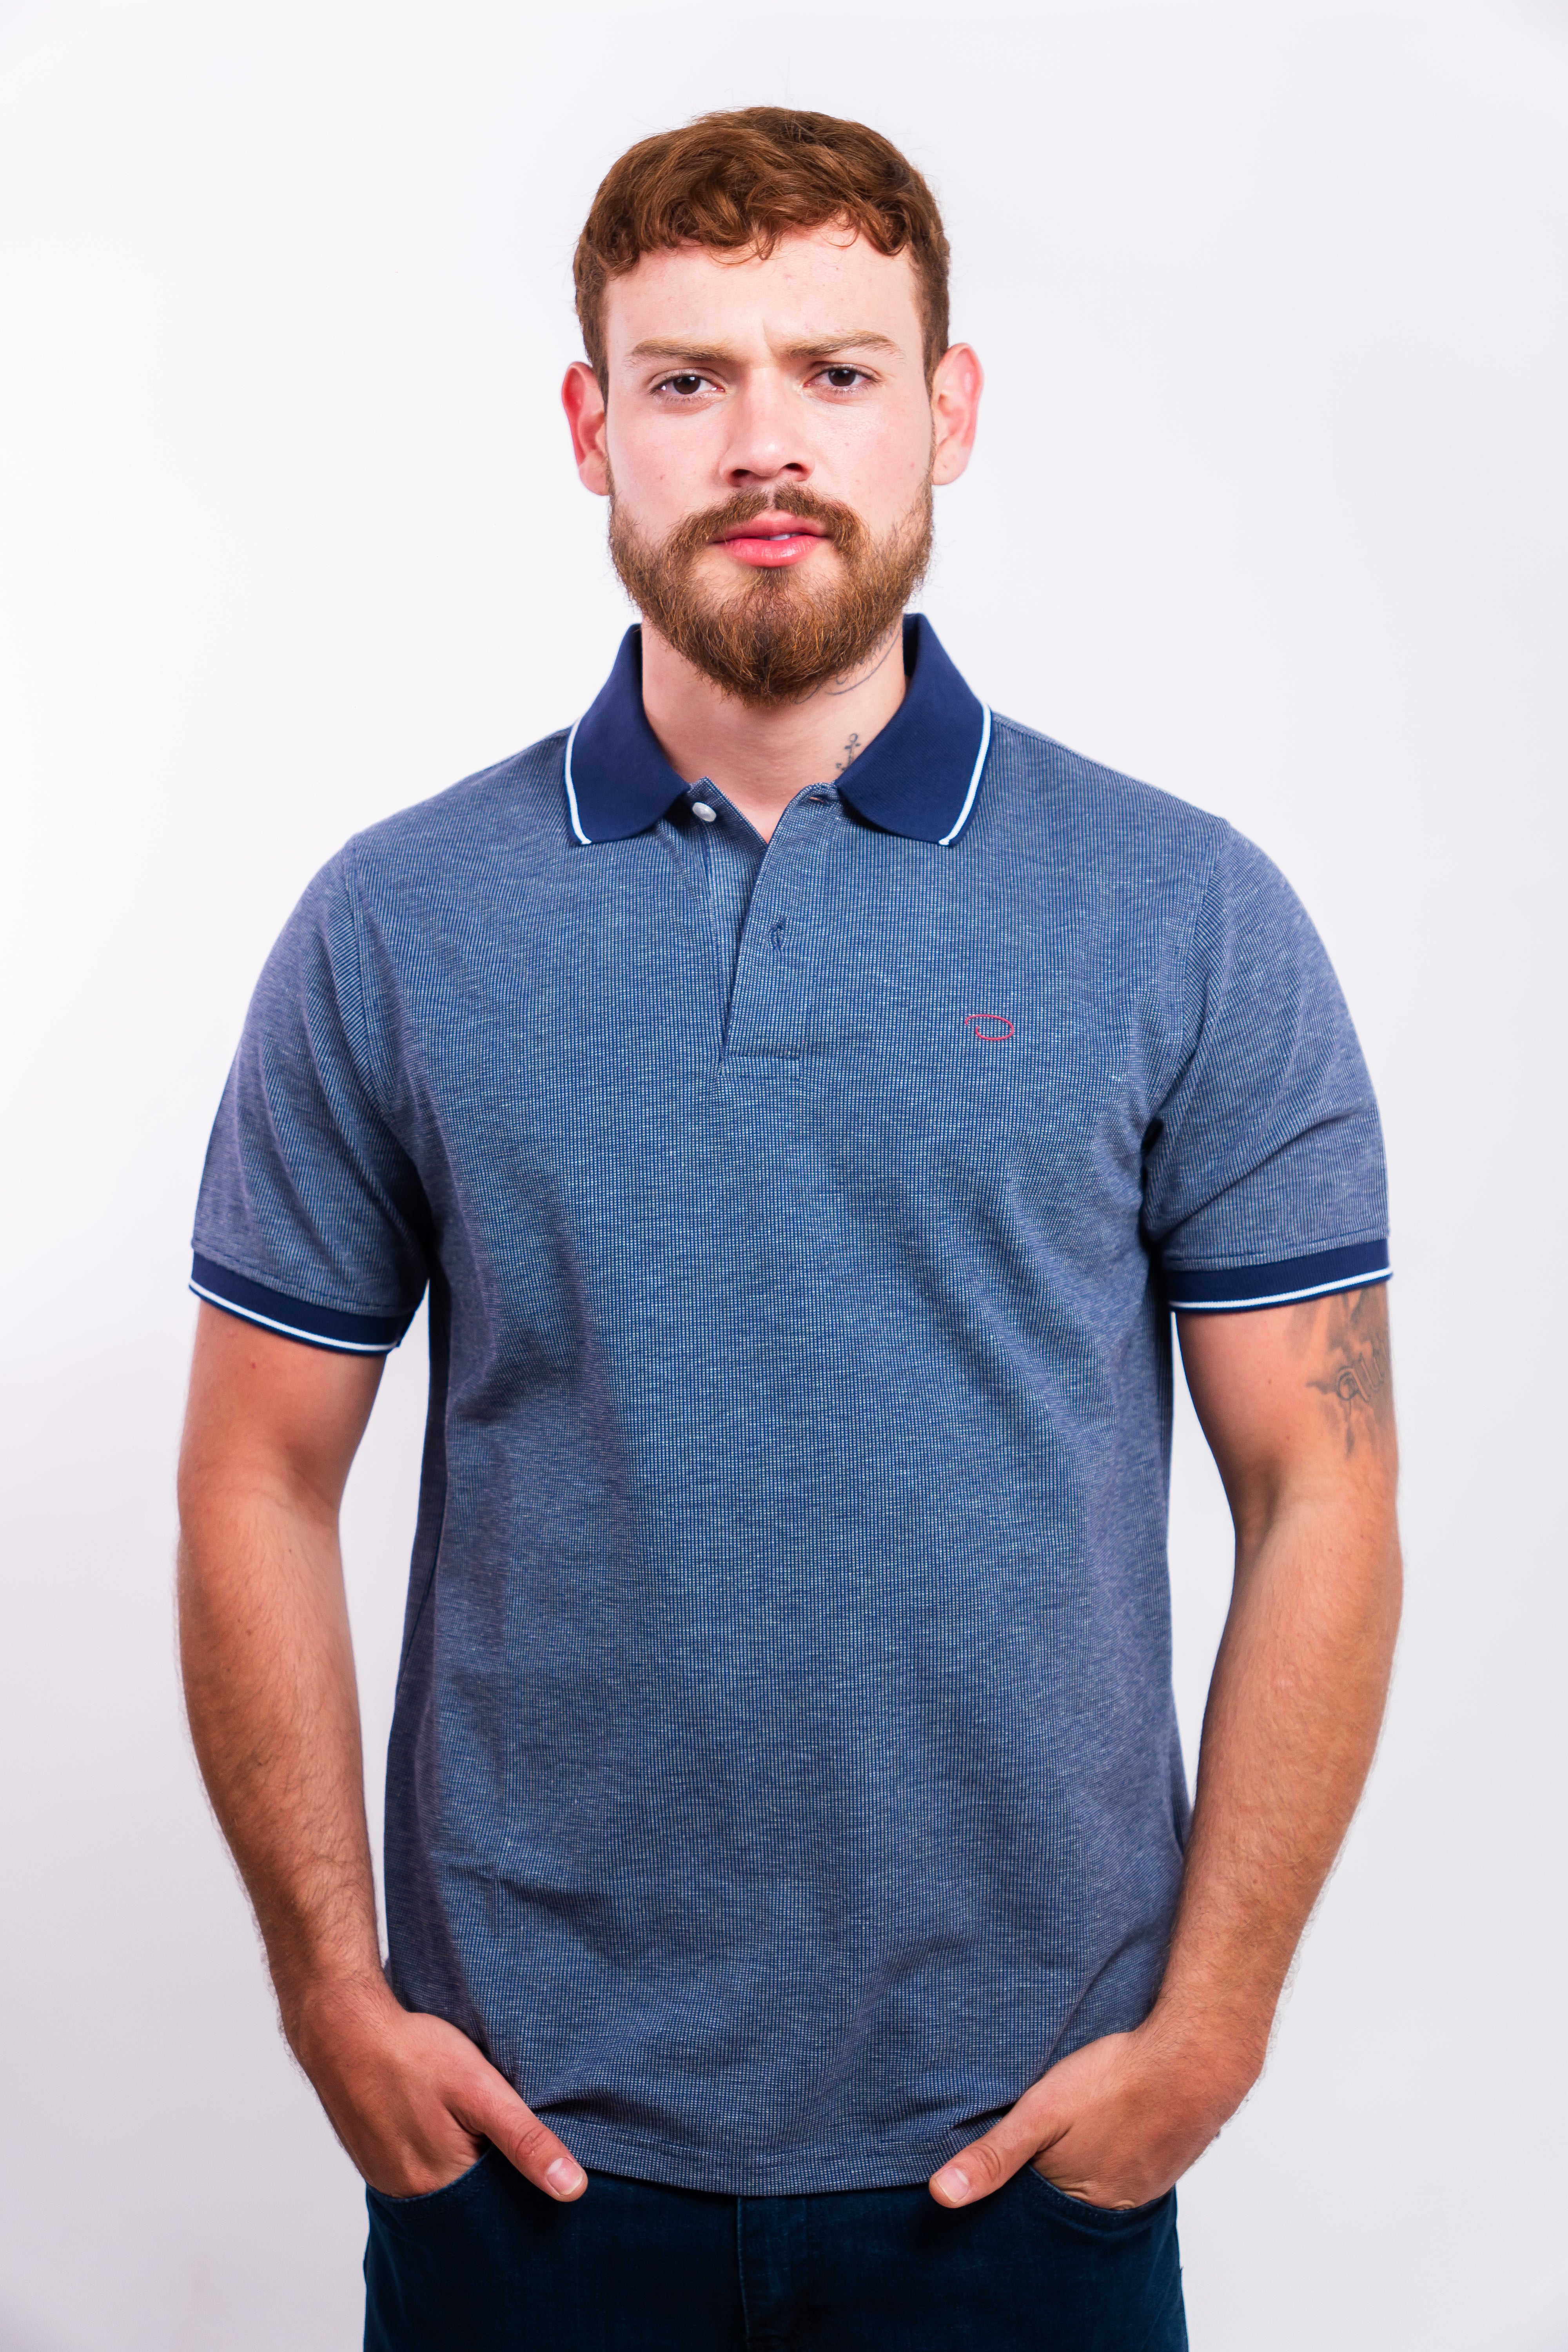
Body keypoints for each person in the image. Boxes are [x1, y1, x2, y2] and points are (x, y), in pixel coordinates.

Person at [177, 107, 1401, 2351]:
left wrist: (1211, 2032)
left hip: (1022, 2164)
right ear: (592, 428)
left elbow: (1322, 1480)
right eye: (690, 379)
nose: (767, 445)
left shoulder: (1188, 917)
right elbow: (256, 1466)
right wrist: (332, 1993)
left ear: (949, 409)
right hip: (524, 2160)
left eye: (839, 372)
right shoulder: (401, 925)